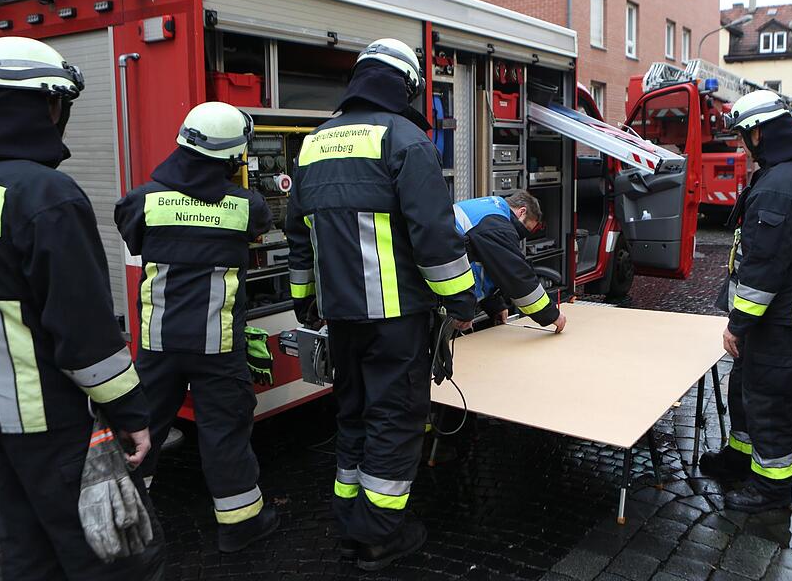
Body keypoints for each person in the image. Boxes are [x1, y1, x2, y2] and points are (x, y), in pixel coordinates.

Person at [286, 38, 476, 571]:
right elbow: (434, 237)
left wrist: (306, 304)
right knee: (394, 422)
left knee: (353, 417)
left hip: (342, 319)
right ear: (406, 86)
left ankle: (349, 523)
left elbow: (300, 236)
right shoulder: (407, 141)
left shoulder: (314, 144)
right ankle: (377, 537)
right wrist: (462, 300)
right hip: (396, 322)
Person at [0, 37, 164, 579]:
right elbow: (84, 336)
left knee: (29, 552)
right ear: (45, 105)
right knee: (117, 557)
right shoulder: (46, 195)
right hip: (54, 419)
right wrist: (133, 416)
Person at [114, 102, 278, 553]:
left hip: (157, 342)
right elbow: (261, 232)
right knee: (224, 429)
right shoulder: (248, 207)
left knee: (143, 424)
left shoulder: (141, 199)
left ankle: (126, 518)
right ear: (232, 157)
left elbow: (131, 236)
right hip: (218, 345)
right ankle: (240, 524)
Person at [699, 89, 792, 513]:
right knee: (746, 390)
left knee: (770, 401)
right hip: (767, 319)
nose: (741, 145)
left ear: (760, 133)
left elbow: (765, 266)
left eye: (743, 136)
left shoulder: (778, 186)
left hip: (773, 319)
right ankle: (739, 459)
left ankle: (771, 490)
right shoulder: (786, 173)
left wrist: (738, 323)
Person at [454, 191, 567, 332]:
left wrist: (495, 306)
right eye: (525, 230)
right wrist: (551, 315)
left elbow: (488, 263)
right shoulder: (497, 225)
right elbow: (516, 276)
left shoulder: (489, 208)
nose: (521, 236)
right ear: (522, 212)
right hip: (438, 293)